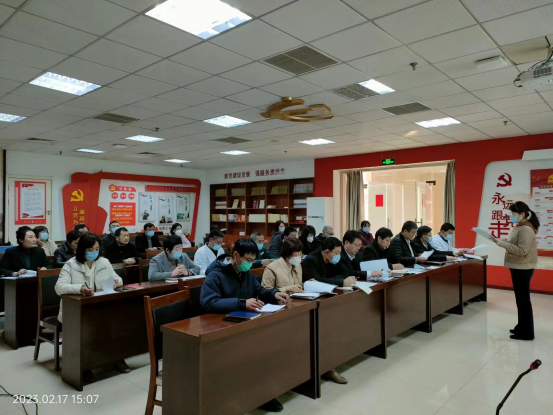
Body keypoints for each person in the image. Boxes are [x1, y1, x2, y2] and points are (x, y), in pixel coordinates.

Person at [200, 238, 289, 413]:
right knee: (256, 351)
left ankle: (262, 393)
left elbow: (259, 291)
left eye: (252, 261)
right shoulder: (215, 275)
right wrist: (242, 303)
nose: (249, 264)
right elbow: (209, 303)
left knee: (271, 344)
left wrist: (275, 294)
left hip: (244, 322)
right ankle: (253, 395)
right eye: (247, 260)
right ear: (236, 255)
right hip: (222, 327)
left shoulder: (245, 272)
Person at [54, 234, 126, 375]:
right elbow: (59, 287)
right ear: (82, 249)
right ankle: (84, 364)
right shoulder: (70, 264)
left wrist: (116, 282)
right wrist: (80, 288)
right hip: (76, 309)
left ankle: (116, 358)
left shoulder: (104, 262)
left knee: (117, 322)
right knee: (87, 327)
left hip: (101, 306)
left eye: (97, 249)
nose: (94, 252)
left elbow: (118, 279)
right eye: (90, 249)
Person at [300, 236, 351, 385]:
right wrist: (340, 281)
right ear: (327, 252)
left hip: (328, 298)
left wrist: (337, 280)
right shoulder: (311, 260)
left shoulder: (332, 259)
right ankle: (327, 368)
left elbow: (345, 273)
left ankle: (330, 363)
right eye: (336, 253)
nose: (338, 256)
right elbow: (313, 281)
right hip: (312, 302)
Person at [494, 202, 539, 341]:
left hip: (522, 268)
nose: (511, 216)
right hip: (518, 267)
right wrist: (504, 242)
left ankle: (527, 333)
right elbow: (517, 245)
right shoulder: (520, 226)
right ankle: (521, 327)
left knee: (523, 301)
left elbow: (522, 250)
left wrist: (503, 244)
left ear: (522, 214)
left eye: (513, 214)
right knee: (520, 300)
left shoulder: (525, 229)